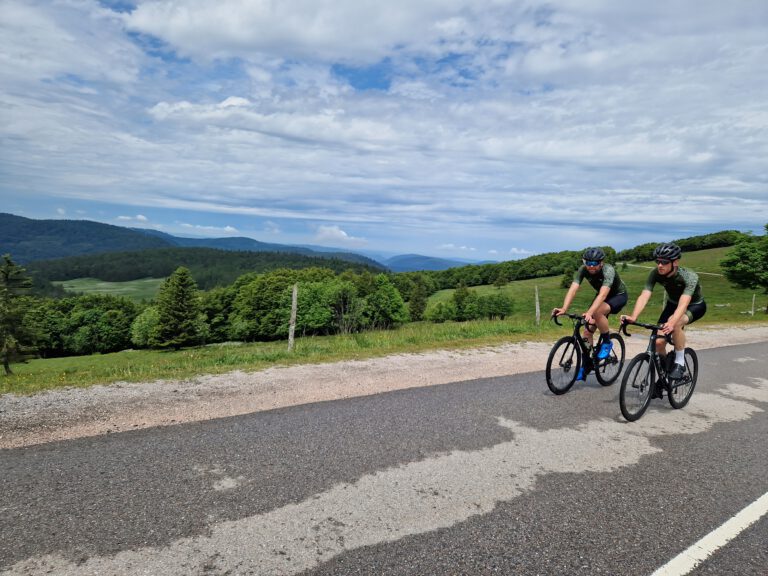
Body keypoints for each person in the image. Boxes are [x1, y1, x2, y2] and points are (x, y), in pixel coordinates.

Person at [620, 242, 707, 382]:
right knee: (659, 343)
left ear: (675, 262)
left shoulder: (689, 277)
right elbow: (645, 295)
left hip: (694, 306)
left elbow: (684, 303)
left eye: (664, 262)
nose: (660, 265)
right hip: (672, 305)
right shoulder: (655, 273)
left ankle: (679, 363)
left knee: (676, 322)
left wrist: (672, 323)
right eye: (658, 261)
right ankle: (665, 375)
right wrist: (633, 316)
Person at [552, 247, 628, 379]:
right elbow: (573, 289)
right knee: (587, 331)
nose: (591, 267)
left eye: (594, 264)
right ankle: (587, 364)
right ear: (584, 261)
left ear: (601, 263)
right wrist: (564, 308)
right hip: (601, 297)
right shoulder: (583, 269)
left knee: (597, 313)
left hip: (617, 296)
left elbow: (604, 294)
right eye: (588, 263)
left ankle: (606, 342)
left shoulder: (608, 270)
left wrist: (590, 312)